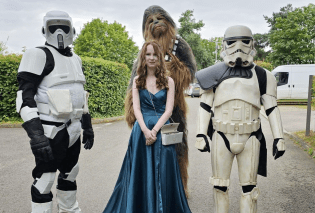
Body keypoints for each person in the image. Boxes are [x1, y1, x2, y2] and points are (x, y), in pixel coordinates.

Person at [195, 25, 285, 213]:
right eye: (232, 41)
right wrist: (201, 133)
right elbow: (205, 105)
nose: (239, 46)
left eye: (244, 41)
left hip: (250, 136)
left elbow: (271, 107)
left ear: (252, 43)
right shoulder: (212, 74)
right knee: (219, 187)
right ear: (224, 44)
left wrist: (279, 137)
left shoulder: (263, 76)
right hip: (221, 135)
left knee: (249, 189)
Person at [16, 10, 94, 213]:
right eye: (53, 27)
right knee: (45, 178)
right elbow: (24, 98)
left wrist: (88, 126)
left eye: (64, 27)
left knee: (70, 173)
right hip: (51, 131)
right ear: (45, 29)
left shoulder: (76, 59)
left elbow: (80, 95)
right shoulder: (38, 54)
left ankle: (69, 209)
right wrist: (36, 135)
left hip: (74, 131)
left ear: (72, 30)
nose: (59, 32)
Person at [103, 40, 191, 213]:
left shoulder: (169, 81)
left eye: (155, 55)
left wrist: (155, 131)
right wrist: (145, 130)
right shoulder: (138, 80)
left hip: (162, 130)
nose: (151, 58)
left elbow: (168, 109)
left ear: (160, 57)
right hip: (141, 131)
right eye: (148, 54)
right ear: (143, 57)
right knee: (140, 171)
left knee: (164, 171)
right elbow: (136, 108)